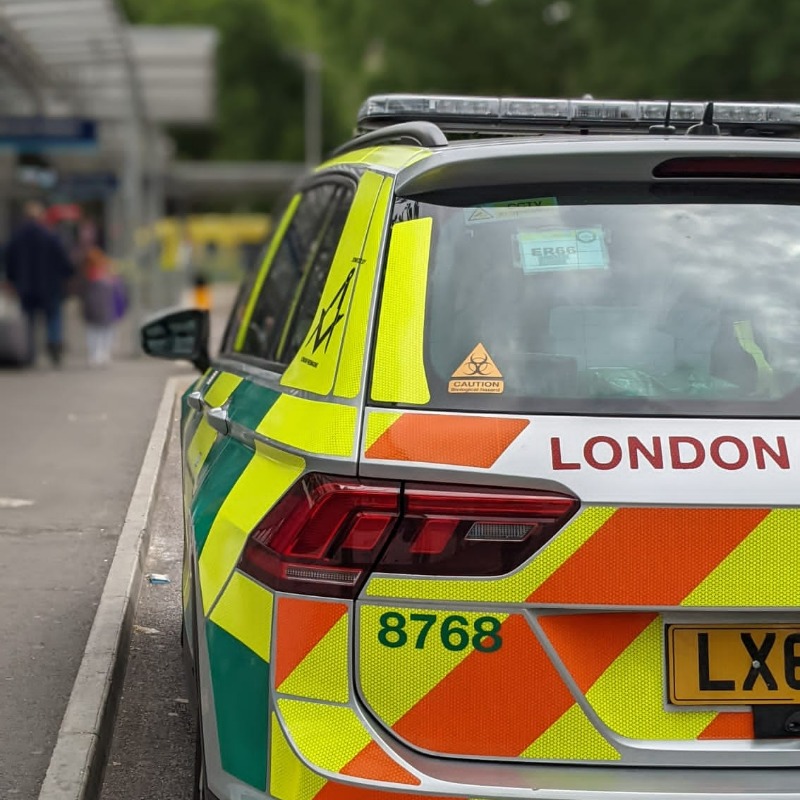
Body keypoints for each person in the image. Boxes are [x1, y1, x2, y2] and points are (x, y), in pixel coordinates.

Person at [4, 200, 75, 366]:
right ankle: (54, 345)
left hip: (25, 286)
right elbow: (62, 258)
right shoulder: (50, 235)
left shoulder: (17, 236)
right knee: (53, 318)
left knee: (28, 320)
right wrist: (68, 274)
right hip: (50, 286)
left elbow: (7, 258)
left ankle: (29, 353)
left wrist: (11, 279)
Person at [79, 246, 124, 366]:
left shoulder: (87, 277)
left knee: (95, 332)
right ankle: (102, 353)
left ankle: (96, 354)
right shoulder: (108, 276)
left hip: (94, 310)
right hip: (104, 310)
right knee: (104, 332)